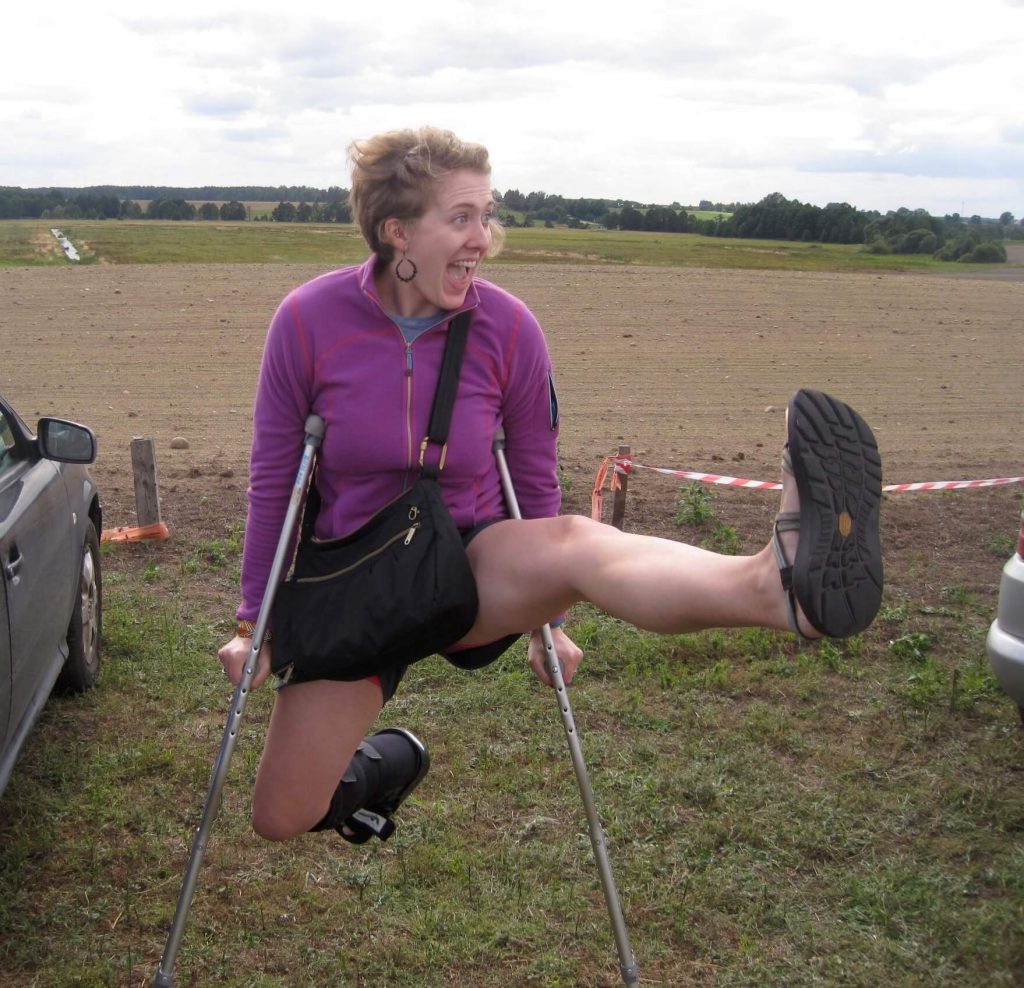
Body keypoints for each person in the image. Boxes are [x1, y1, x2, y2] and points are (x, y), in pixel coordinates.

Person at [218, 126, 883, 844]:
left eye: (487, 214)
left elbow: (534, 476)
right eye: (462, 218)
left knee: (575, 545)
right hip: (355, 576)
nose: (483, 238)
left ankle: (774, 586)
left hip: (468, 559)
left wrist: (550, 622)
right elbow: (274, 480)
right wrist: (255, 622)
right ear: (397, 232)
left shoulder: (508, 329)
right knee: (282, 817)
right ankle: (389, 760)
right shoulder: (307, 323)